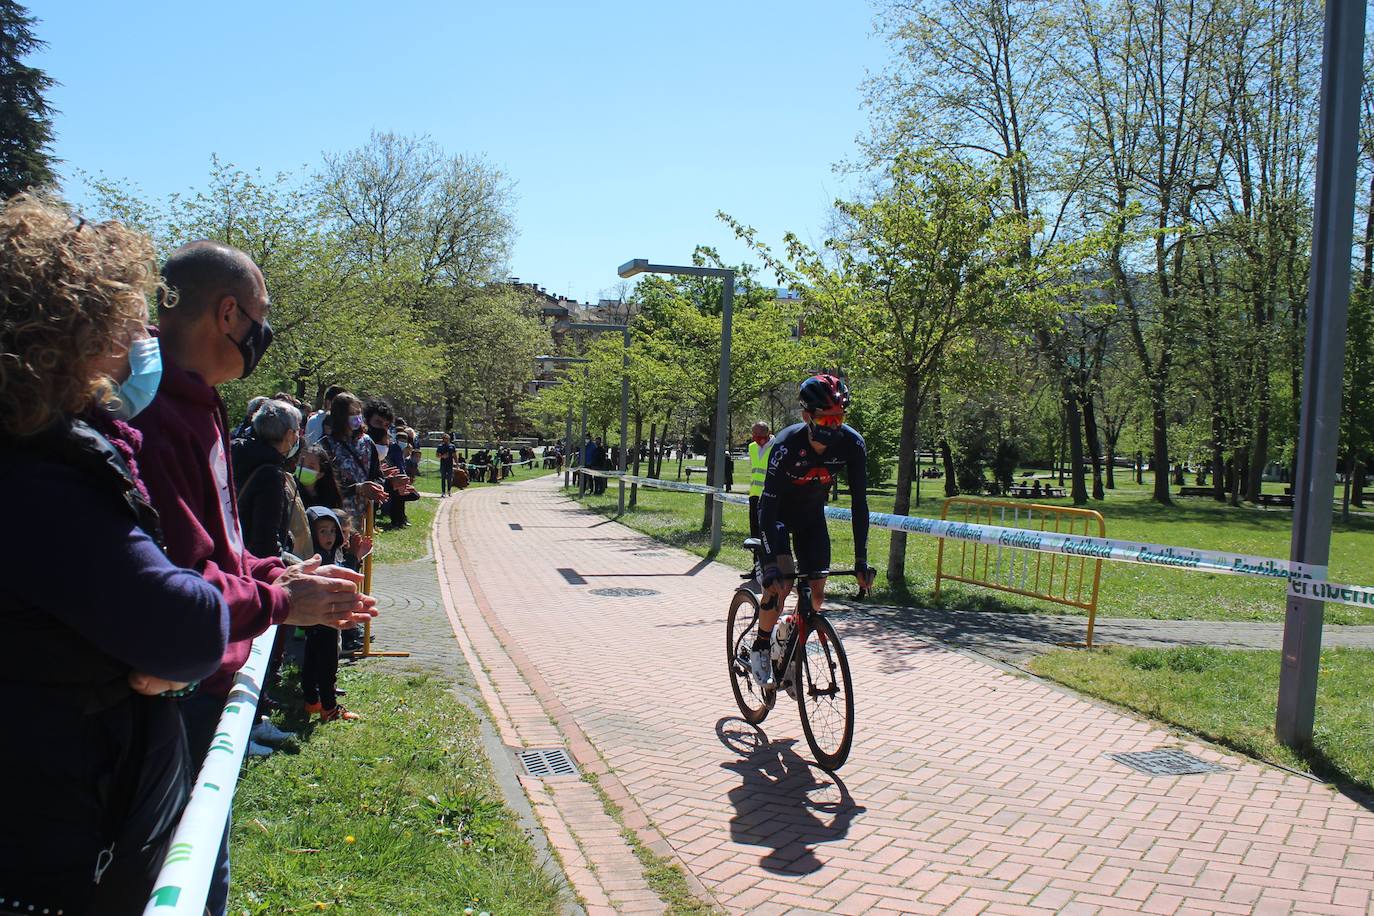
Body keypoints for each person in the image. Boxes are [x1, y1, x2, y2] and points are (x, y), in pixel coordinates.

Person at [0, 195, 230, 914]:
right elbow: (188, 626)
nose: (143, 337)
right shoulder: (38, 478)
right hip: (53, 851)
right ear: (74, 331)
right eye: (127, 320)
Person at [134, 239, 378, 915]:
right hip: (175, 693)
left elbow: (219, 546)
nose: (265, 332)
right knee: (179, 877)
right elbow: (178, 575)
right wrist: (280, 599)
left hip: (207, 675)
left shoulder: (204, 400)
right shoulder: (153, 413)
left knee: (206, 863)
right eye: (263, 314)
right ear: (230, 313)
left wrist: (278, 570)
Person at [752, 375, 876, 688]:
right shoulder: (785, 445)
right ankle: (761, 647)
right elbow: (765, 506)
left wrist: (861, 558)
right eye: (828, 418)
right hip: (777, 518)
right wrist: (768, 565)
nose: (835, 425)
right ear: (808, 416)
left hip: (811, 519)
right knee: (779, 585)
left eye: (840, 417)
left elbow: (860, 504)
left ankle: (790, 643)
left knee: (816, 596)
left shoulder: (852, 443)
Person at [302, 507, 365, 722]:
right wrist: (355, 557)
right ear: (312, 533)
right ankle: (329, 708)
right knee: (327, 665)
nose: (329, 536)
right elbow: (344, 578)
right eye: (322, 531)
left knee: (311, 659)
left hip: (315, 619)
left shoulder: (327, 554)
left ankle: (311, 701)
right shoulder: (319, 558)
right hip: (326, 618)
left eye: (332, 531)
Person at [747, 421, 773, 541]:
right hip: (754, 494)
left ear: (768, 432)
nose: (757, 435)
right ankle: (757, 558)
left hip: (770, 495)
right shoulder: (752, 447)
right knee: (755, 532)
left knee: (769, 531)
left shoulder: (777, 446)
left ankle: (771, 558)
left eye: (760, 432)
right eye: (754, 433)